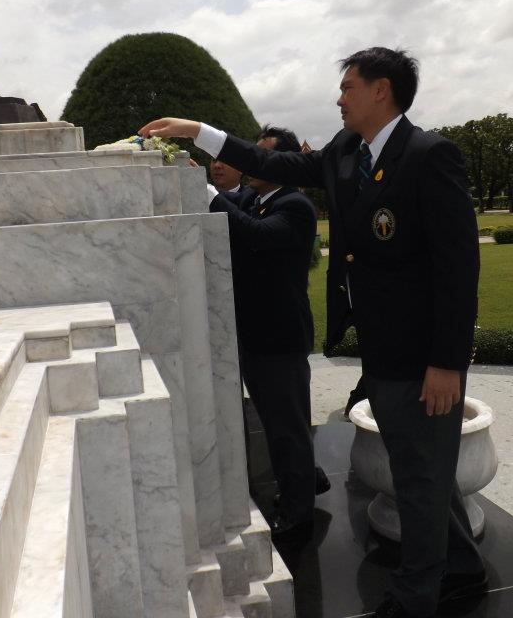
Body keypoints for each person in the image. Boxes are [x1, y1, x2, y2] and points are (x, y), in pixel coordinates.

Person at [140, 47, 486, 618]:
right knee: (423, 469)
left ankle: (416, 596)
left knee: (420, 480)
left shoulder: (428, 155)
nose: (339, 97)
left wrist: (447, 363)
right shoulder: (348, 151)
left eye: (349, 86)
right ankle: (464, 570)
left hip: (424, 356)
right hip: (384, 350)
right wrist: (200, 132)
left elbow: (458, 267)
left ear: (382, 91)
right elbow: (274, 164)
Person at [208, 125, 327, 535]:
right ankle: (310, 479)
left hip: (280, 337)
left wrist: (210, 195)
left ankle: (297, 514)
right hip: (257, 334)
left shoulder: (295, 206)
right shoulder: (255, 198)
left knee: (285, 429)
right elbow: (229, 200)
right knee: (281, 419)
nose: (253, 164)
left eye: (264, 157)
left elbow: (253, 234)